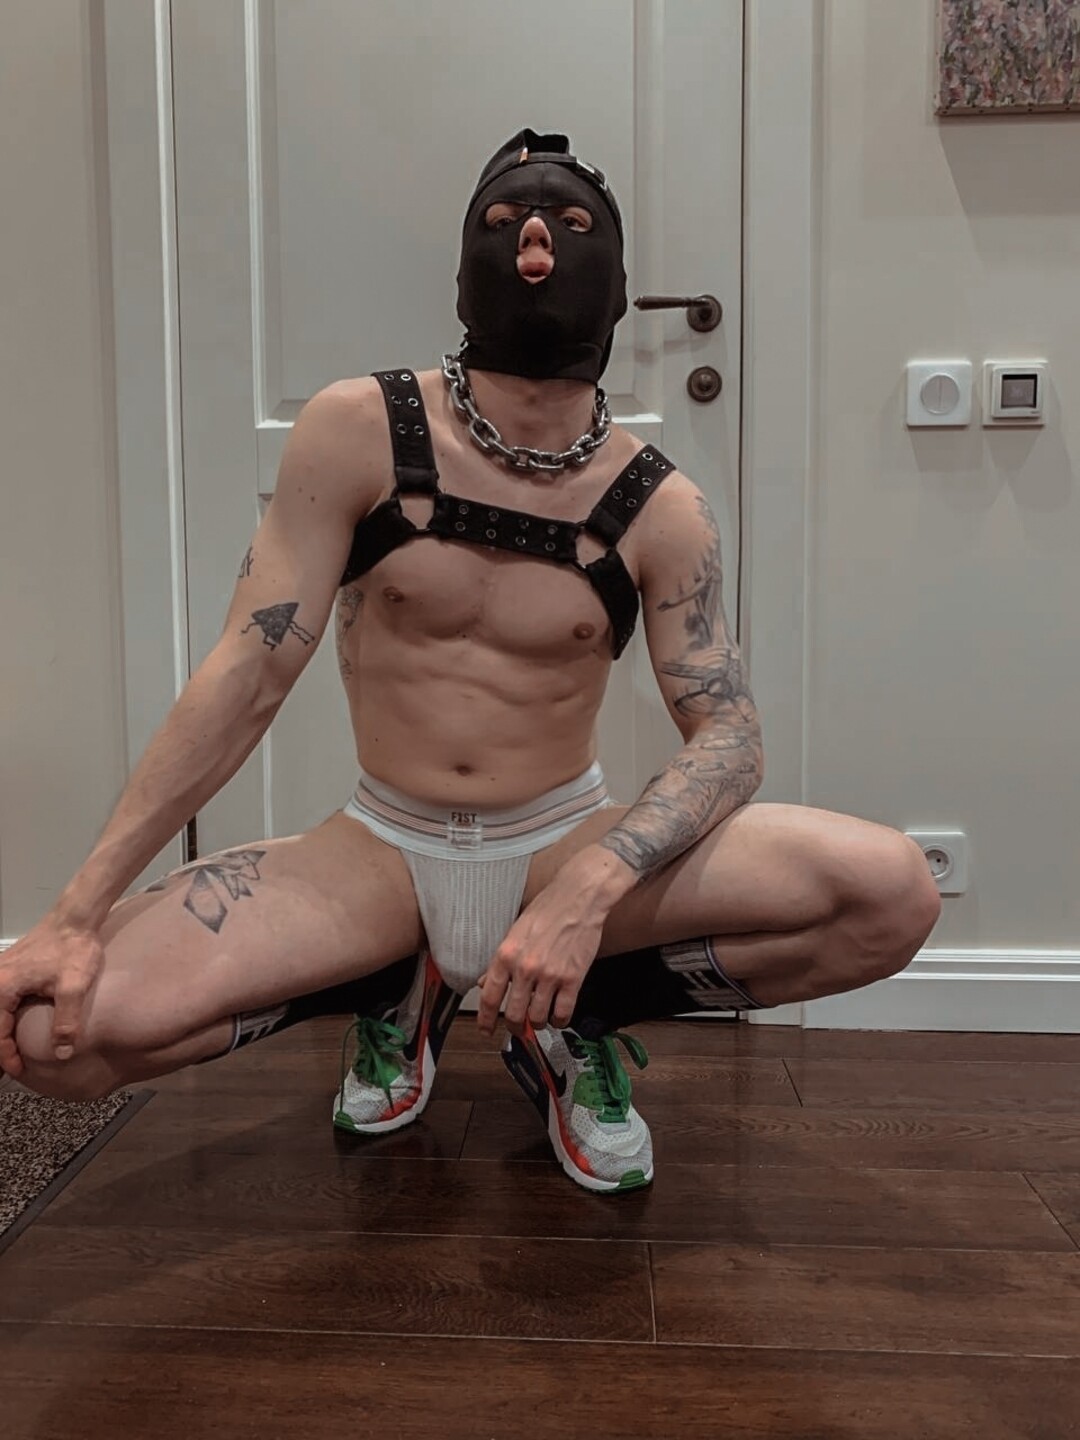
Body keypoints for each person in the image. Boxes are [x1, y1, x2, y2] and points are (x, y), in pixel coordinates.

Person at [0, 129, 940, 1194]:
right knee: (52, 1037)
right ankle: (392, 991)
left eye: (570, 222)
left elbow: (730, 733)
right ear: (465, 271)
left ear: (616, 290)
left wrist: (592, 888)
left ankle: (569, 1018)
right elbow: (246, 673)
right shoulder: (357, 429)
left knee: (892, 894)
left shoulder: (662, 505)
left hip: (556, 841)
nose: (535, 236)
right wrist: (73, 915)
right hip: (381, 852)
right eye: (505, 221)